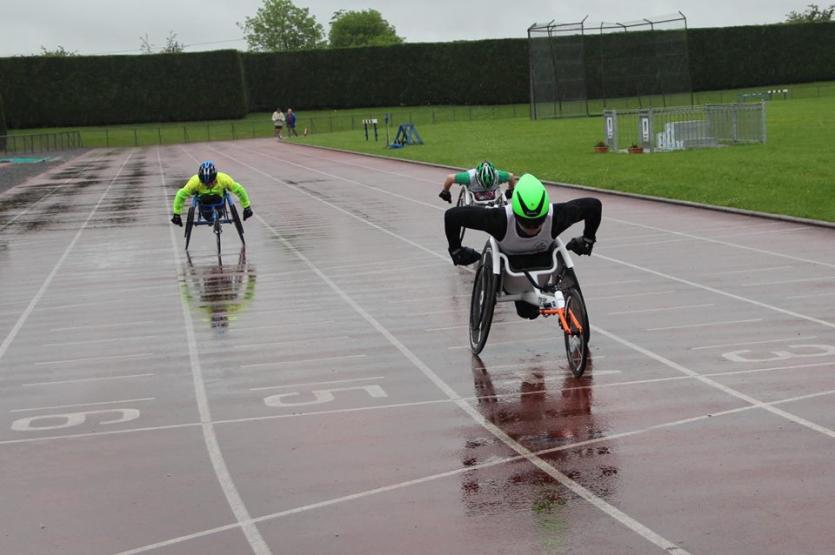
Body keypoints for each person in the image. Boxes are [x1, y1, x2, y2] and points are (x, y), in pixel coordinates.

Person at [444, 173, 601, 319]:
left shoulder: (557, 215)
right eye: (526, 222)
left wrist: (587, 239)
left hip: (543, 269)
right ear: (515, 212)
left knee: (529, 312)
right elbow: (452, 216)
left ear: (546, 212)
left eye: (538, 221)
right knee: (527, 312)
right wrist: (456, 249)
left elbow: (594, 205)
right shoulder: (500, 219)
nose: (532, 227)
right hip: (510, 274)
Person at [170, 161, 253, 226]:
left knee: (220, 197)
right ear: (200, 179)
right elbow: (181, 194)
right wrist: (177, 214)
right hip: (204, 207)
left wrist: (247, 207)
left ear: (216, 177)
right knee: (204, 199)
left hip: (219, 205)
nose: (208, 185)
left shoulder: (223, 178)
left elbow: (239, 190)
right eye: (205, 183)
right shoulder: (195, 181)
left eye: (211, 182)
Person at [438, 160, 517, 204]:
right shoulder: (469, 177)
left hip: (491, 194)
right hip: (475, 193)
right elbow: (450, 178)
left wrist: (510, 189)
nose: (485, 187)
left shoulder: (498, 175)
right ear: (477, 176)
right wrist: (445, 192)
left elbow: (511, 176)